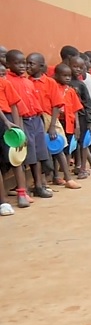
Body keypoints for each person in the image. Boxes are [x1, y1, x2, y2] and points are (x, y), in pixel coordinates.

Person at [27, 53, 81, 190]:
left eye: (31, 63)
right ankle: (42, 180)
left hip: (49, 118)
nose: (27, 66)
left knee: (57, 147)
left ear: (41, 66)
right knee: (40, 151)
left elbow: (57, 104)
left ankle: (68, 178)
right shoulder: (28, 82)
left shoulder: (50, 82)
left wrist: (52, 125)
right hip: (34, 118)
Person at [5, 50, 53, 201]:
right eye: (17, 63)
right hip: (22, 121)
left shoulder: (28, 81)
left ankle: (39, 185)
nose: (22, 66)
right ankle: (23, 189)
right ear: (8, 65)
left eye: (24, 63)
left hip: (35, 119)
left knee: (39, 153)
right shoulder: (8, 81)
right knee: (27, 154)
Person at [53, 64, 84, 188]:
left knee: (67, 149)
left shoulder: (71, 91)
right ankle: (56, 175)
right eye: (64, 75)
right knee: (56, 148)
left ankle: (66, 173)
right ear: (56, 75)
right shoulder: (54, 88)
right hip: (57, 122)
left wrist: (77, 125)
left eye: (69, 76)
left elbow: (76, 109)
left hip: (69, 123)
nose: (67, 78)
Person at [0, 62, 24, 212]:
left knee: (15, 158)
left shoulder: (5, 83)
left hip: (6, 123)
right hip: (4, 120)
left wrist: (16, 125)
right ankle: (3, 202)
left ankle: (22, 193)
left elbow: (14, 105)